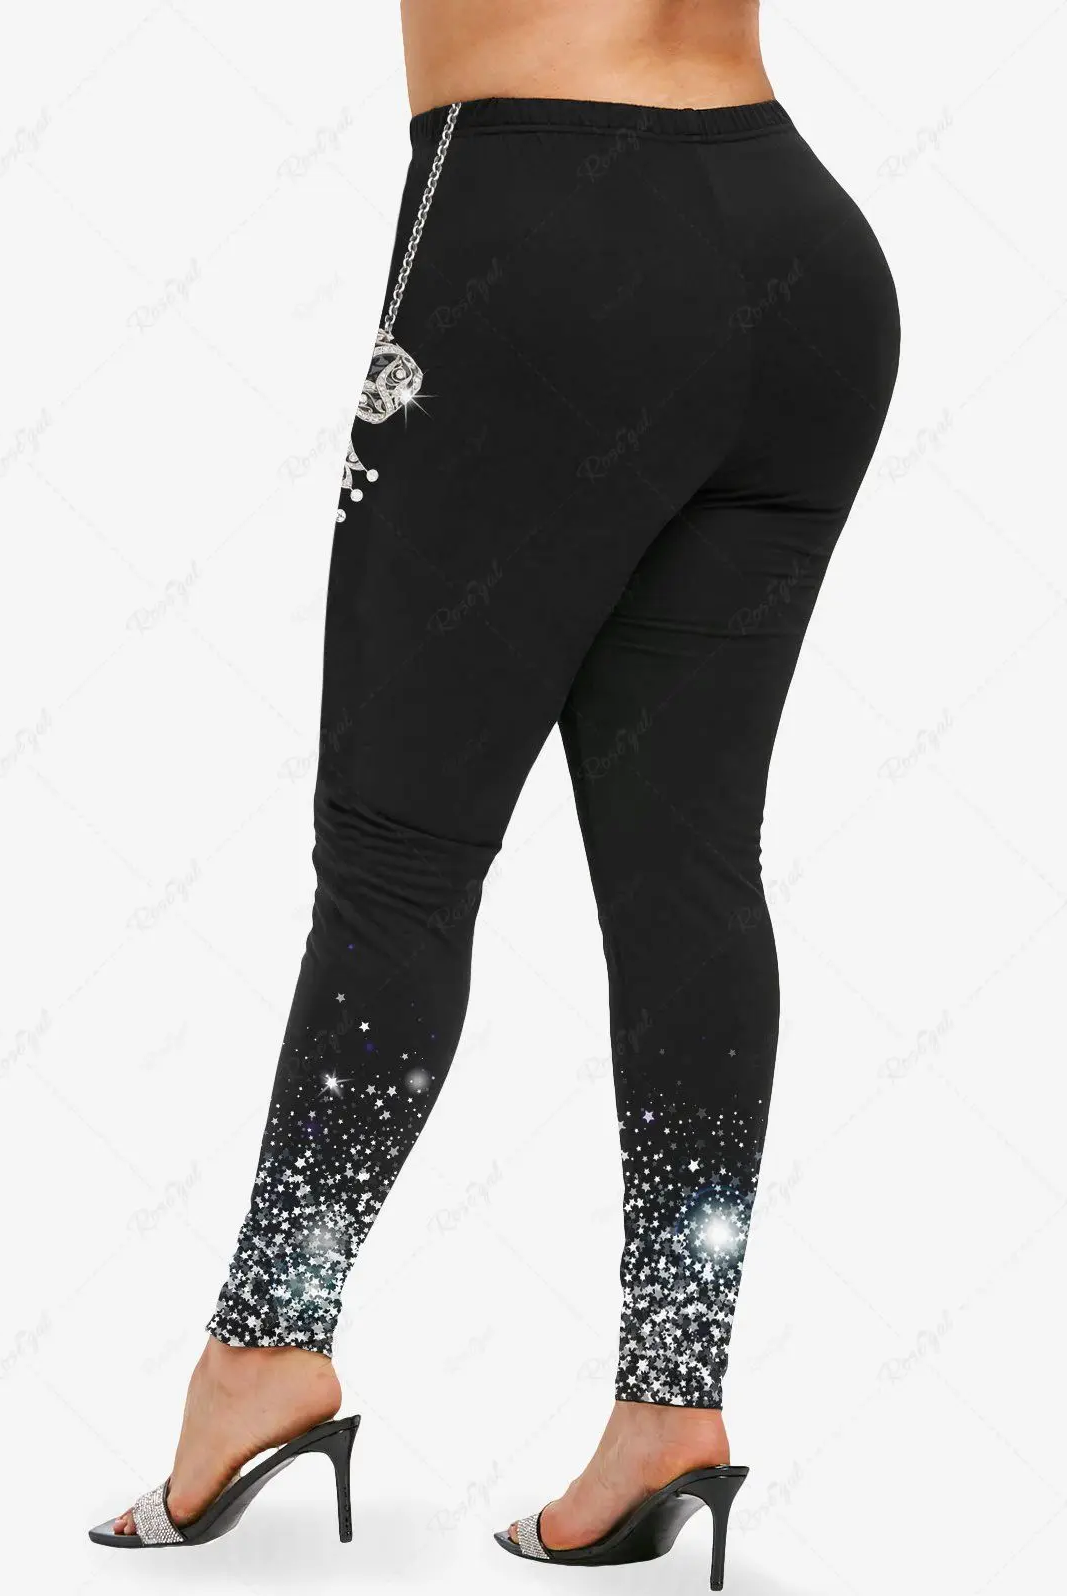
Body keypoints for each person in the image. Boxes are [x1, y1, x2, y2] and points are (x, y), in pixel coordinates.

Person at [90, 0, 900, 1577]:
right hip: (799, 246)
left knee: (397, 859)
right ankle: (671, 1401)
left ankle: (266, 1348)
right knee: (688, 869)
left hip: (550, 234)